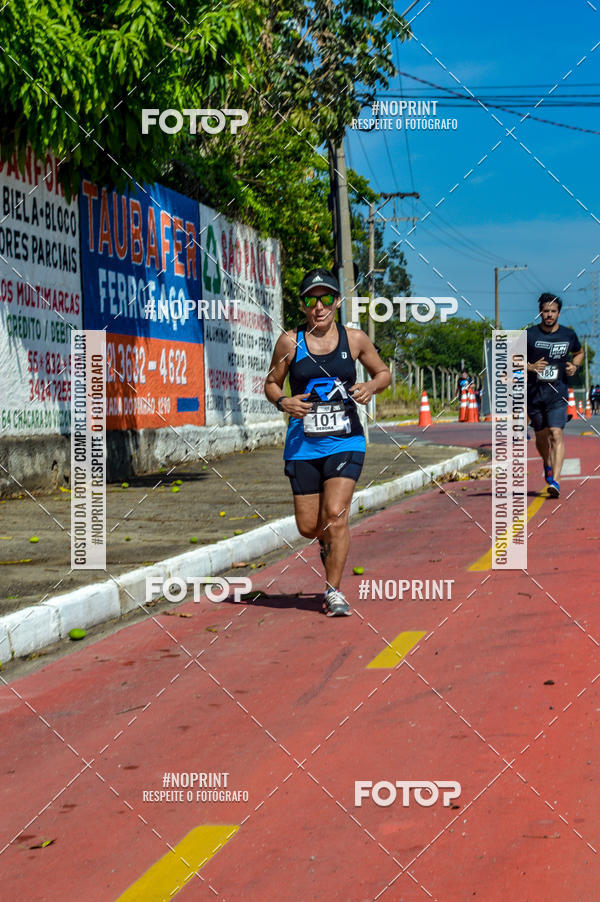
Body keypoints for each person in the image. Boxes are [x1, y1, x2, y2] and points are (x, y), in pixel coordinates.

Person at [264, 268, 391, 616]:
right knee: (309, 527)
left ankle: (333, 591)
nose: (318, 306)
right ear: (303, 305)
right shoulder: (290, 342)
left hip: (345, 440)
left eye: (325, 299)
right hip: (303, 443)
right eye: (310, 300)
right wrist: (282, 401)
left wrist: (370, 386)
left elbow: (383, 373)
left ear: (336, 301)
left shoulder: (355, 339)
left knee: (336, 515)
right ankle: (326, 542)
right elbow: (272, 382)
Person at [526, 293, 584, 498]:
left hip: (558, 393)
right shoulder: (530, 335)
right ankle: (547, 464)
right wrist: (530, 366)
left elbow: (579, 352)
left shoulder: (568, 335)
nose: (549, 315)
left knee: (556, 434)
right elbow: (513, 359)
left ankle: (556, 482)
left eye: (553, 311)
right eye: (545, 311)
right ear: (540, 312)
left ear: (559, 313)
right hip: (534, 394)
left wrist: (574, 366)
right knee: (542, 437)